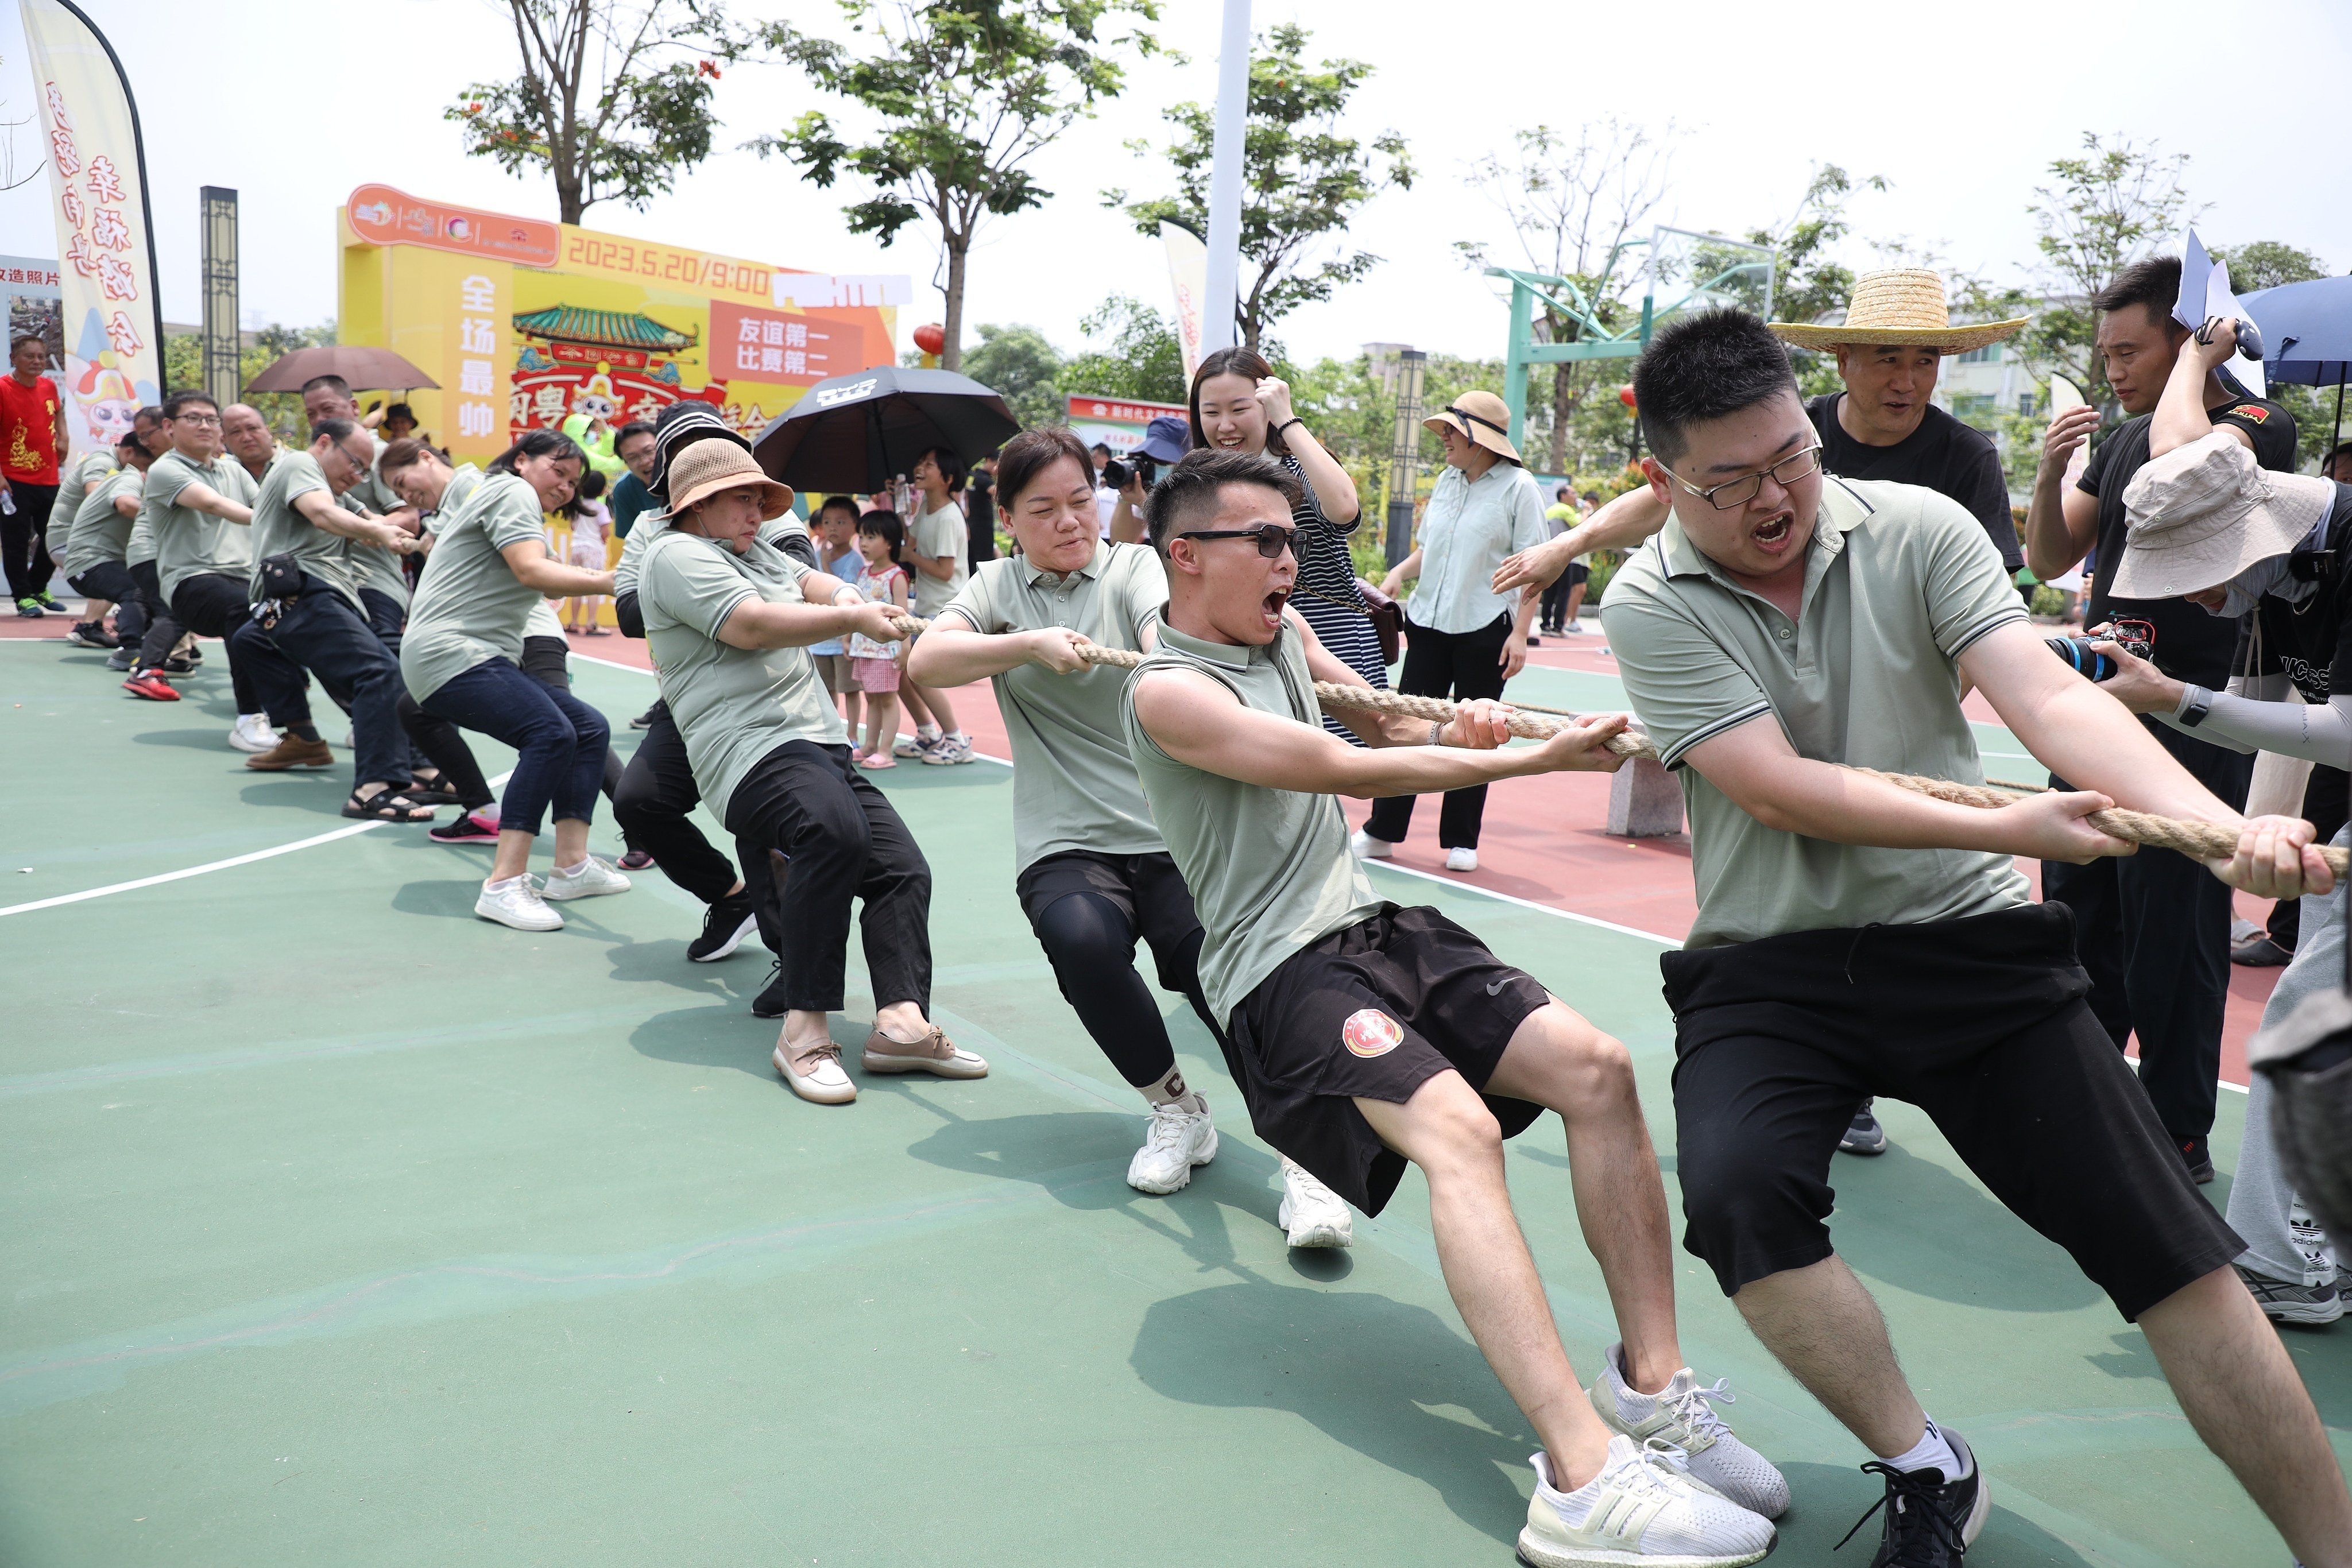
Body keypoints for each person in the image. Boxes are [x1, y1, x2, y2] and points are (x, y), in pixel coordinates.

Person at [1600, 307, 2349, 1566]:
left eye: (1789, 456)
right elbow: (1781, 788)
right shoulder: (1645, 602)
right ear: (1658, 478)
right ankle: (1922, 1459)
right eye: (1729, 482)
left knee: (2169, 1256)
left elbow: (2047, 691)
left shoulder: (1922, 530)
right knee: (1738, 1200)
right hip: (1766, 965)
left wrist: (2214, 831)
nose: (1775, 496)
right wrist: (2029, 824)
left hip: (1962, 939)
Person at [1120, 447, 1786, 1565]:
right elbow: (1327, 764)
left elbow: (1372, 720)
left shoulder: (1280, 636)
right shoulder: (1166, 691)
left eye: (1295, 537)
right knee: (1460, 1135)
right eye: (1265, 541)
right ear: (1184, 555)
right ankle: (1579, 1483)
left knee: (1597, 1067)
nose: (1292, 558)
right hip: (1278, 976)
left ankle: (1648, 1388)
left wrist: (1463, 728)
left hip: (1374, 930)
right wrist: (1533, 764)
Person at [1496, 267, 2036, 1160]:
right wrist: (1570, 540)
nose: (1908, 378)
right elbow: (1682, 491)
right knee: (1746, 1179)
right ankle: (1843, 1079)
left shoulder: (1954, 471)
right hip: (1770, 724)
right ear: (1846, 364)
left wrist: (1912, 732)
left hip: (1904, 724)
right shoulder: (1775, 425)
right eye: (1889, 357)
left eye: (1927, 360)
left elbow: (2002, 652)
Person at [907, 428, 1353, 1234]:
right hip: (1065, 836)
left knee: (1216, 973)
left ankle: (1302, 1152)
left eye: (1083, 499)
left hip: (1173, 831)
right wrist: (1030, 644)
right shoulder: (995, 585)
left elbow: (1162, 634)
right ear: (1007, 516)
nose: (1070, 521)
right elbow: (927, 662)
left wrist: (1165, 668)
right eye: (1043, 508)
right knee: (1080, 938)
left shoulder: (1133, 566)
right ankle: (1177, 1109)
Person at [2061, 316, 2352, 1329]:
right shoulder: (2274, 588)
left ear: (2265, 528)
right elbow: (2278, 729)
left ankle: (2289, 1263)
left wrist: (2174, 702)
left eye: (2206, 565)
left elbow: (2341, 730)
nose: (2197, 591)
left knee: (2308, 1026)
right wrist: (2248, 839)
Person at [2024, 253, 2297, 1183]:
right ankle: (2084, 1105)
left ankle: (2176, 1129)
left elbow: (2190, 460)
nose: (2112, 369)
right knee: (2075, 918)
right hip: (2092, 706)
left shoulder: (2258, 423)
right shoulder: (2124, 435)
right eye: (2104, 352)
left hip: (2189, 714)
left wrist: (2202, 359)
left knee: (2172, 939)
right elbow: (2054, 550)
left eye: (2130, 349)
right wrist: (2051, 466)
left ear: (2192, 339)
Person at [639, 439, 983, 1105]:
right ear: (698, 505)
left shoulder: (754, 550)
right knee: (831, 832)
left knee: (899, 868)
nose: (757, 511)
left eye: (757, 499)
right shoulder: (675, 555)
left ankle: (901, 1024)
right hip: (749, 750)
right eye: (743, 498)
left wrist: (853, 593)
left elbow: (808, 581)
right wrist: (851, 615)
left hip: (817, 742)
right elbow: (753, 624)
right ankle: (803, 1031)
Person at [609, 402, 815, 990]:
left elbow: (796, 578)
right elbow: (626, 612)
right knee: (638, 800)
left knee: (761, 820)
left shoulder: (762, 509)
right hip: (695, 701)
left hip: (770, 700)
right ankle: (731, 898)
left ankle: (796, 966)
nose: (706, 461)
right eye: (684, 451)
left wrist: (702, 582)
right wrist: (686, 573)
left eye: (715, 445)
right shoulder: (654, 529)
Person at [399, 429, 627, 931]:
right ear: (522, 460)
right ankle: (503, 884)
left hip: (478, 653)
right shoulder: (511, 490)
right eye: (558, 471)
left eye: (573, 482)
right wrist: (617, 580)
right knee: (550, 733)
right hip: (450, 652)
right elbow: (530, 570)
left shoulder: (506, 498)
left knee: (587, 726)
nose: (566, 487)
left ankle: (571, 866)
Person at [1361, 390, 1549, 872]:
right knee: (1405, 726)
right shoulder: (1447, 481)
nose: (1443, 437)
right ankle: (1382, 830)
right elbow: (1432, 547)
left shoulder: (1519, 487)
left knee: (1477, 733)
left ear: (1479, 439)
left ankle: (1462, 839)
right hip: (1427, 624)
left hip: (1486, 629)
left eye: (1451, 430)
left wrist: (1520, 634)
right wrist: (1401, 572)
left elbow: (1536, 568)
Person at [1189, 349, 1392, 741]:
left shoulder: (1297, 468)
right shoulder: (1202, 482)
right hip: (1252, 651)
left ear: (1267, 406)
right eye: (1212, 412)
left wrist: (1288, 420)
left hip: (1332, 646)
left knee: (1346, 768)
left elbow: (1345, 510)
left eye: (1239, 409)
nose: (1225, 425)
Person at [235, 419, 434, 816]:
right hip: (305, 594)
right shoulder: (299, 467)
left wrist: (428, 541)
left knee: (377, 674)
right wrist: (381, 535)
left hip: (318, 600)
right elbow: (322, 514)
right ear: (325, 443)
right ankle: (372, 789)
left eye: (365, 470)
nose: (357, 475)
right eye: (354, 464)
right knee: (379, 672)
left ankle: (418, 766)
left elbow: (374, 523)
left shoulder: (335, 488)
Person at [123, 393, 296, 759]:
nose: (205, 425)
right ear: (169, 427)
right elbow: (215, 505)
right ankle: (250, 720)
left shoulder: (233, 469)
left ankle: (337, 723)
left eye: (211, 419)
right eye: (193, 418)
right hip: (192, 581)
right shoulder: (166, 469)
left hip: (245, 579)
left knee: (310, 613)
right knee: (244, 611)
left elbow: (266, 503)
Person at [892, 446, 977, 764]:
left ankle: (956, 739)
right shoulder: (927, 505)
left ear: (948, 478)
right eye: (920, 462)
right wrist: (901, 509)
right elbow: (909, 543)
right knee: (900, 671)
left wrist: (911, 557)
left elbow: (943, 570)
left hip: (943, 607)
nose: (920, 468)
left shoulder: (947, 517)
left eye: (929, 465)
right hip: (926, 605)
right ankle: (928, 733)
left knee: (914, 672)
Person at [59, 433, 150, 651]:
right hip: (77, 552)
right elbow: (124, 505)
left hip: (105, 555)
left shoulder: (136, 476)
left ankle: (177, 647)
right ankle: (130, 649)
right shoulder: (128, 476)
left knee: (158, 586)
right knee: (135, 591)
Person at [2, 332, 68, 617]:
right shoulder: (3, 388)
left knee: (55, 536)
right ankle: (22, 597)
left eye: (41, 356)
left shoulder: (49, 385)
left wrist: (64, 436)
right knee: (16, 542)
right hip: (12, 480)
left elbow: (59, 414)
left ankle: (38, 586)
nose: (37, 361)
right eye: (29, 356)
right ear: (14, 359)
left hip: (48, 477)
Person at [846, 509, 910, 768]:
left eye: (871, 537)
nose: (863, 543)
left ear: (890, 543)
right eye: (862, 536)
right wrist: (848, 638)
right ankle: (870, 745)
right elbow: (856, 609)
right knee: (871, 697)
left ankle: (886, 751)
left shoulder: (897, 576)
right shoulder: (863, 573)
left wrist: (905, 648)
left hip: (886, 650)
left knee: (887, 698)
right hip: (864, 647)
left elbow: (904, 616)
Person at [113, 406, 173, 673]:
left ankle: (178, 656)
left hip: (165, 551)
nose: (145, 442)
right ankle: (144, 665)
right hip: (150, 551)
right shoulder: (162, 468)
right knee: (171, 611)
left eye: (147, 434)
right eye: (141, 437)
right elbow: (125, 504)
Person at [52, 435, 125, 648]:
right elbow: (96, 494)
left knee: (124, 568)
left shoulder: (126, 468)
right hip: (70, 542)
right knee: (124, 576)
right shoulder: (103, 462)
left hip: (90, 542)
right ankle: (112, 626)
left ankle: (91, 625)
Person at [806, 495, 865, 739]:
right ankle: (831, 732)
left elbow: (843, 592)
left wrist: (827, 566)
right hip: (820, 638)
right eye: (828, 522)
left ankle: (852, 735)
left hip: (842, 639)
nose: (833, 528)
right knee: (826, 689)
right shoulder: (816, 551)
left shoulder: (855, 561)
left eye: (841, 522)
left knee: (849, 690)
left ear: (854, 527)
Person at [565, 470, 612, 633]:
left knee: (577, 585)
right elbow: (605, 531)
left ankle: (573, 622)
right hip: (593, 548)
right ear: (602, 490)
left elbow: (573, 526)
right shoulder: (601, 508)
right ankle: (591, 623)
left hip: (577, 547)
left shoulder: (577, 506)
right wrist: (603, 538)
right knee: (594, 586)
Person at [1536, 484, 1577, 639]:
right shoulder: (1566, 510)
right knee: (1564, 592)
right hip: (1564, 556)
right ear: (1563, 496)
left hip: (1548, 555)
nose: (1575, 496)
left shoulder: (1550, 510)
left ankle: (1545, 624)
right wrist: (1586, 510)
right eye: (1573, 493)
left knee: (1549, 591)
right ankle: (1558, 626)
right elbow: (1583, 525)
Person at [608, 420, 657, 540]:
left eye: (649, 451)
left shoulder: (686, 476)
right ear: (626, 463)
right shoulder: (624, 490)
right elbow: (632, 541)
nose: (645, 461)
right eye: (633, 458)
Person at [965, 452, 997, 568]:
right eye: (996, 464)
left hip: (970, 523)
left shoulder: (972, 476)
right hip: (983, 526)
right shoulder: (984, 479)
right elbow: (997, 493)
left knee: (972, 559)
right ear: (988, 460)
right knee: (984, 559)